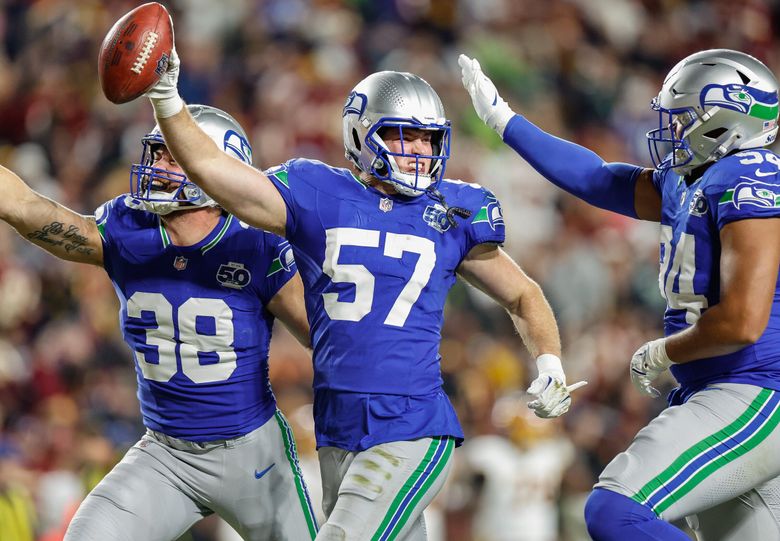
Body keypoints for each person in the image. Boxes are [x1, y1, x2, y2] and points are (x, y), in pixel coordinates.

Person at [138, 41, 584, 540]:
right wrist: (169, 103)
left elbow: (523, 294)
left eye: (427, 139)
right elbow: (216, 174)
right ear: (360, 133)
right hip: (338, 425)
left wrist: (549, 362)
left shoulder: (453, 212)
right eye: (403, 135)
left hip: (412, 424)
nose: (419, 151)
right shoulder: (314, 191)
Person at [459, 49, 780, 540]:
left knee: (616, 508)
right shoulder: (696, 176)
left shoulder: (751, 178)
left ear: (726, 122)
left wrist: (661, 353)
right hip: (717, 388)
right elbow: (598, 178)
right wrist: (506, 123)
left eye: (684, 120)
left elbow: (742, 322)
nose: (670, 131)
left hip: (752, 389)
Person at [0, 104, 319, 541]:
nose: (156, 167)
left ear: (217, 168)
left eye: (173, 156)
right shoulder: (128, 229)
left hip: (252, 455)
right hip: (166, 454)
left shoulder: (256, 244)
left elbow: (324, 341)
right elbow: (30, 209)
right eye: (156, 155)